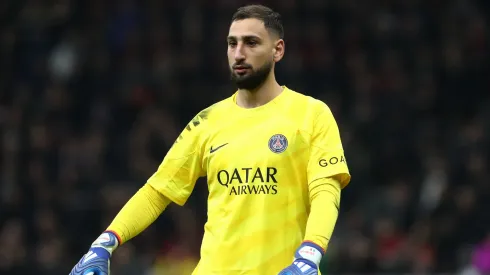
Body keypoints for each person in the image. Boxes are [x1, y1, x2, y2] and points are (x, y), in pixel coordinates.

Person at [69, 4, 351, 275]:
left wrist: (310, 253)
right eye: (232, 43)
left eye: (251, 43)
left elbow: (325, 191)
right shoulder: (207, 121)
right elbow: (157, 191)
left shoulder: (311, 114)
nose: (239, 53)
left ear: (278, 50)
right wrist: (103, 244)